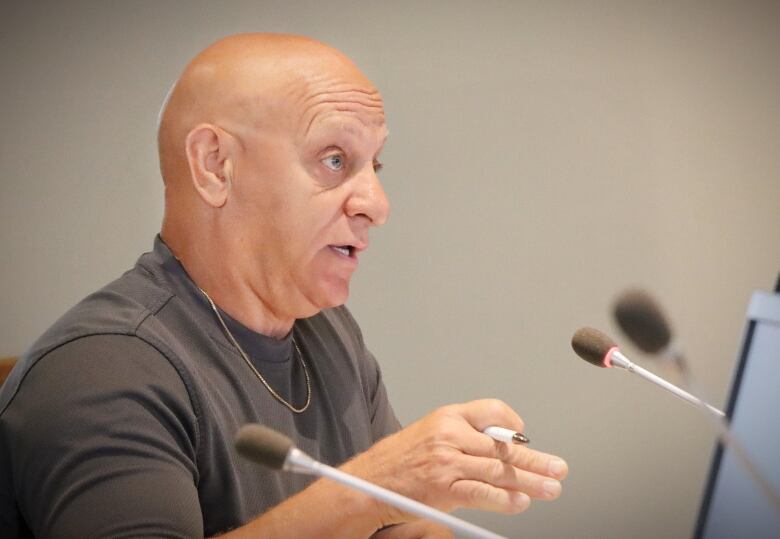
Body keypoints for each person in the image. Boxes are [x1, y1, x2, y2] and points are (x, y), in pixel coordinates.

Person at [0, 33, 568, 538]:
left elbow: (398, 527)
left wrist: (408, 503)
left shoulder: (329, 334)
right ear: (215, 166)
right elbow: (370, 503)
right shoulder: (102, 370)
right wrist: (370, 488)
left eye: (376, 166)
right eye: (334, 159)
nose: (377, 204)